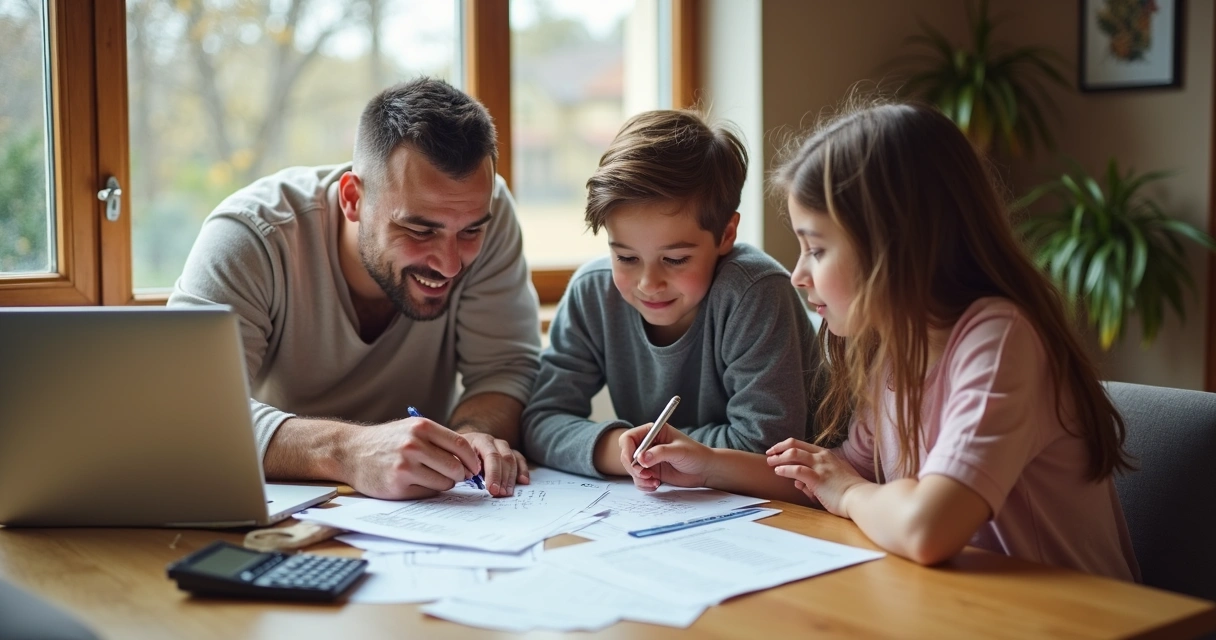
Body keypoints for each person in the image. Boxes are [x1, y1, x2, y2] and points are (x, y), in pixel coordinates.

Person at [619, 102, 1141, 581]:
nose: (798, 275)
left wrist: (848, 491)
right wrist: (703, 463)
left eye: (817, 250)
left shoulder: (999, 340)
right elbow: (838, 475)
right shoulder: (893, 349)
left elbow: (925, 527)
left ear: (895, 248)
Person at [169, 78, 540, 500]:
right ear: (353, 199)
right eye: (419, 229)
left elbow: (505, 368)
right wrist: (347, 452)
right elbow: (185, 409)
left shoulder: (486, 209)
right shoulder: (251, 237)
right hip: (284, 518)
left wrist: (473, 436)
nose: (451, 263)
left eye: (471, 231)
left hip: (424, 517)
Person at [521, 109, 823, 478]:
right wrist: (624, 451)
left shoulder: (755, 294)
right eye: (626, 257)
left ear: (726, 235)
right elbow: (541, 419)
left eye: (676, 259)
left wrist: (649, 450)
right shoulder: (592, 292)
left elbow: (768, 447)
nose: (649, 282)